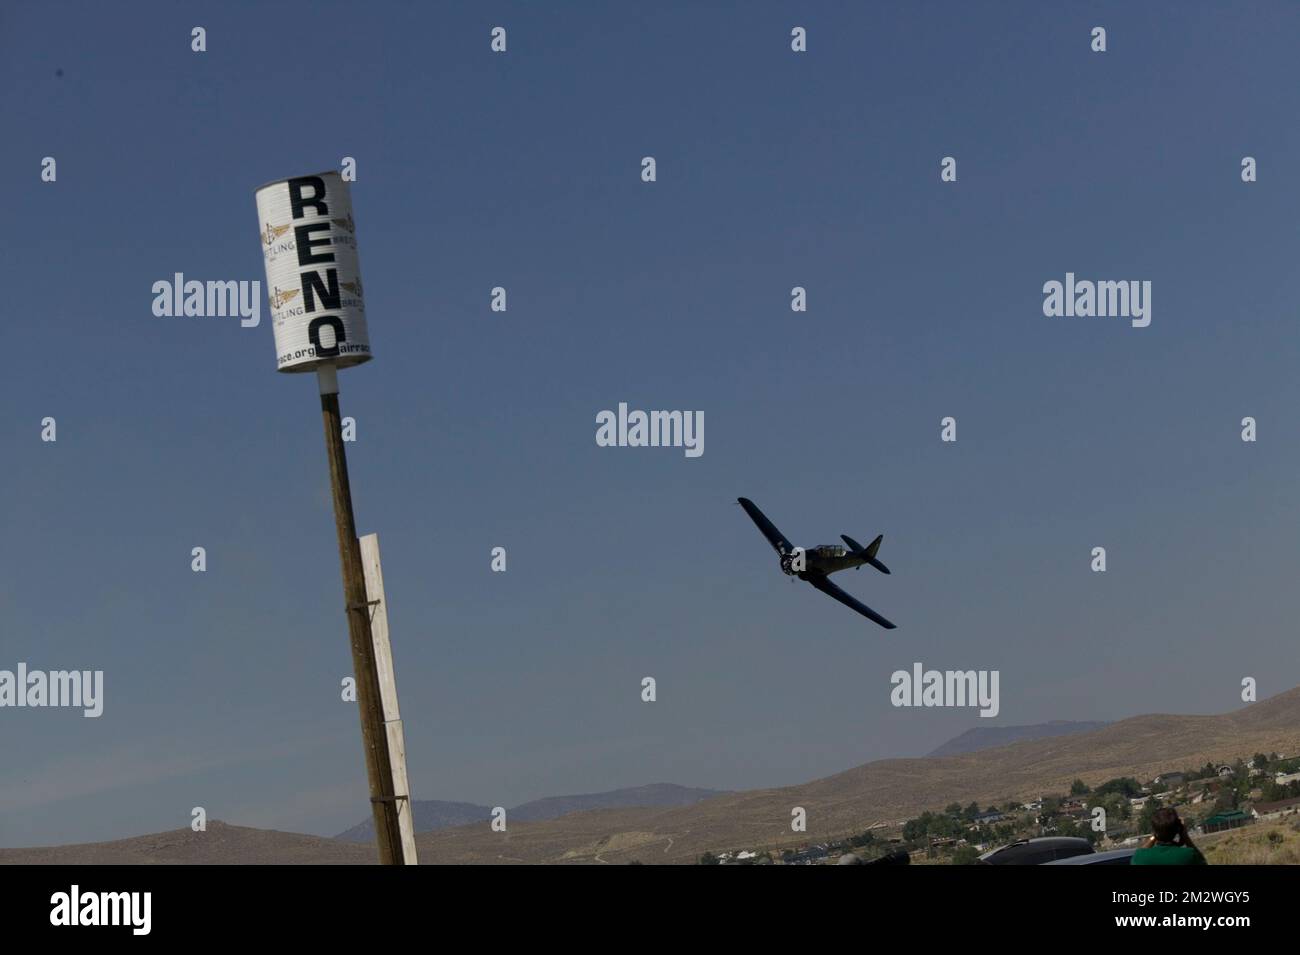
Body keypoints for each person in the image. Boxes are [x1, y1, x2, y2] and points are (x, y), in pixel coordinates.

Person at [1131, 808, 1207, 865]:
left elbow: (1141, 852)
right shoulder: (1188, 855)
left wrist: (1154, 836)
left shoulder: (1140, 857)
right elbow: (1203, 862)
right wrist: (1185, 836)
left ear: (1154, 830)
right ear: (1178, 829)